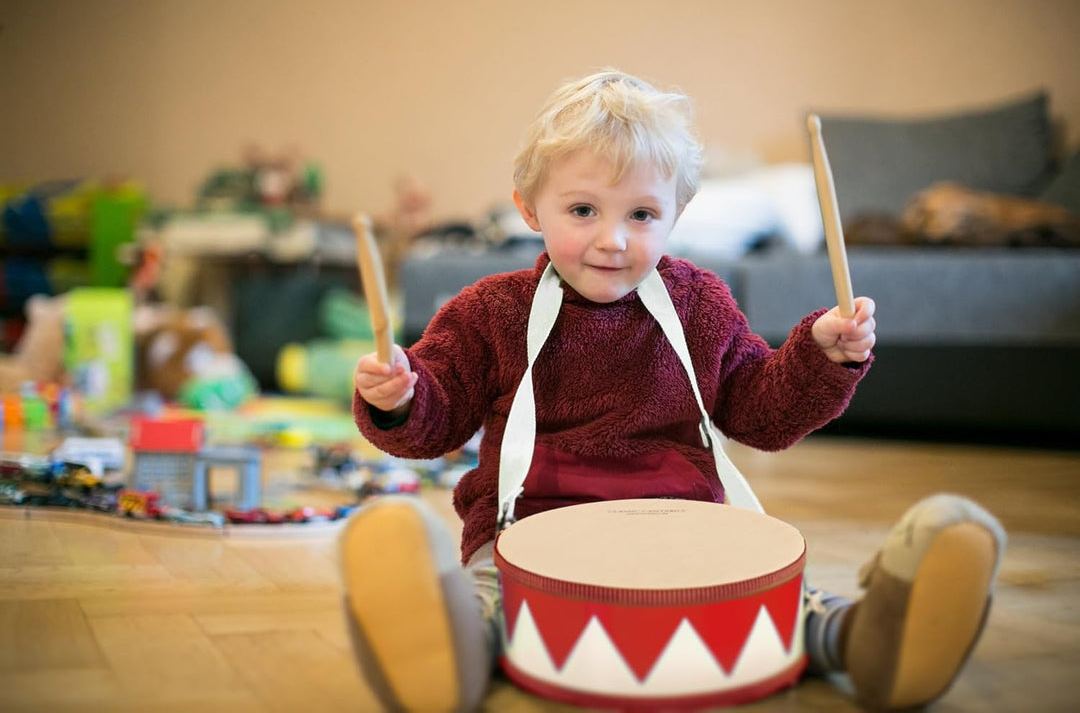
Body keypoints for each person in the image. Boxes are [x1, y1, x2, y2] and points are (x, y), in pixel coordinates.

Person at [342, 69, 1005, 711]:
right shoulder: (490, 311)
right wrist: (399, 396)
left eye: (641, 213)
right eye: (582, 210)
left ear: (677, 212)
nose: (613, 239)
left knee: (783, 603)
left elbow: (762, 412)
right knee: (492, 597)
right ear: (528, 209)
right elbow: (437, 414)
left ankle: (872, 642)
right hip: (529, 533)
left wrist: (819, 356)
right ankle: (442, 645)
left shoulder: (698, 302)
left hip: (684, 534)